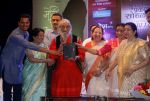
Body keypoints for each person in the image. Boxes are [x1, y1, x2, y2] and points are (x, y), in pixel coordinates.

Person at [0, 14, 58, 101]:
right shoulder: (15, 35)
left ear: (29, 23)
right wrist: (51, 52)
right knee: (7, 92)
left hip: (18, 66)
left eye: (27, 22)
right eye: (22, 22)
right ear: (18, 23)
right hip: (8, 66)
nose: (25, 25)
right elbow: (29, 45)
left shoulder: (26, 33)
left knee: (18, 91)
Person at [105, 22, 149, 97]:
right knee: (124, 96)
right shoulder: (123, 43)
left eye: (128, 30)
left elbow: (147, 60)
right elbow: (117, 59)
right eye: (124, 30)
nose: (125, 31)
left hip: (136, 76)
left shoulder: (140, 44)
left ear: (134, 32)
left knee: (136, 97)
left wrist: (134, 68)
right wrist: (109, 69)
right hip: (123, 75)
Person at [49, 19, 85, 97]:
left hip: (74, 73)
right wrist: (59, 50)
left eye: (67, 27)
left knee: (73, 96)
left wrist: (77, 57)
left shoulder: (76, 39)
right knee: (59, 97)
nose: (65, 29)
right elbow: (51, 57)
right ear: (59, 28)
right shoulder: (55, 40)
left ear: (70, 28)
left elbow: (82, 55)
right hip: (59, 73)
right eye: (62, 27)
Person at [22, 28, 54, 101]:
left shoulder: (45, 47)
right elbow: (32, 59)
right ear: (34, 37)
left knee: (40, 92)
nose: (42, 37)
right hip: (30, 73)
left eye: (43, 36)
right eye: (40, 36)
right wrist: (47, 60)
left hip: (41, 75)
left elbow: (50, 59)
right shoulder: (29, 46)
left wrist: (51, 61)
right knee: (29, 93)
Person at [83, 25, 110, 96]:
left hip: (101, 74)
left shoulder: (106, 45)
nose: (97, 34)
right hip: (89, 74)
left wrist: (100, 70)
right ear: (92, 33)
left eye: (100, 33)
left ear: (102, 34)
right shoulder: (87, 44)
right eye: (95, 32)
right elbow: (84, 60)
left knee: (101, 95)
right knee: (90, 95)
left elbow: (108, 61)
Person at [43, 13, 62, 97]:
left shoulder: (65, 33)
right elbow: (47, 48)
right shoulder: (47, 32)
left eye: (57, 20)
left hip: (63, 62)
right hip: (51, 62)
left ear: (61, 21)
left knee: (61, 84)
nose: (55, 22)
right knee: (49, 84)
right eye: (53, 20)